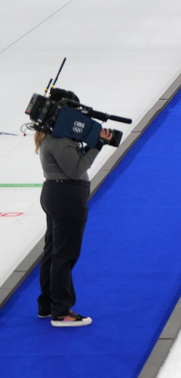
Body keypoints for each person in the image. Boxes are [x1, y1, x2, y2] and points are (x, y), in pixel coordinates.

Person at [34, 123, 116, 328]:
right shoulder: (60, 141)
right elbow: (77, 168)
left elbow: (73, 163)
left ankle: (47, 304)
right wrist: (98, 145)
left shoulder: (52, 137)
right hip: (66, 198)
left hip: (57, 194)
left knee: (53, 250)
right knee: (64, 254)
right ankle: (61, 312)